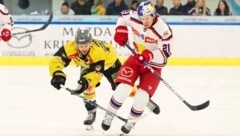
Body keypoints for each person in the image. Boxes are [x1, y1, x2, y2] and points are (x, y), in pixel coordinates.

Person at [49, 28, 160, 130]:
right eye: (80, 45)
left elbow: (96, 74)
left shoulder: (97, 51)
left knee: (123, 88)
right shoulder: (70, 47)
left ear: (91, 42)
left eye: (86, 45)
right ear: (76, 44)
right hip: (88, 65)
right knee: (88, 88)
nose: (83, 48)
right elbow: (57, 59)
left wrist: (85, 83)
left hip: (110, 63)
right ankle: (91, 112)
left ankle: (144, 99)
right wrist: (57, 73)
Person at [101, 0, 173, 134]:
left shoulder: (164, 30)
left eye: (147, 18)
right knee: (123, 89)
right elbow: (122, 16)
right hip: (135, 59)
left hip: (153, 66)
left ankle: (131, 122)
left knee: (141, 97)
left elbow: (165, 55)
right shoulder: (134, 17)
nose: (144, 21)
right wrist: (120, 29)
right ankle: (109, 114)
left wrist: (149, 56)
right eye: (142, 18)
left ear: (154, 14)